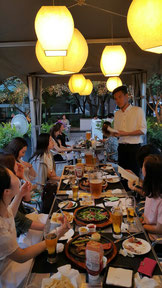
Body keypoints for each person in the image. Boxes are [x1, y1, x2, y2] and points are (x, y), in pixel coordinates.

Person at [0, 165, 69, 287]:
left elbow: (10, 213)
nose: (16, 174)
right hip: (8, 272)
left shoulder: (3, 206)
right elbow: (21, 256)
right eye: (12, 174)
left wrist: (20, 194)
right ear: (6, 191)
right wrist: (56, 235)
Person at [0, 153, 46, 245]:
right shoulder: (5, 200)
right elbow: (22, 222)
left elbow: (27, 199)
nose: (19, 165)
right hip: (19, 234)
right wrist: (50, 227)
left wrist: (22, 177)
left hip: (23, 224)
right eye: (15, 164)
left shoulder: (11, 188)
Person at [113, 85, 147, 176]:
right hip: (121, 148)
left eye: (120, 97)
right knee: (122, 175)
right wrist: (113, 133)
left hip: (134, 149)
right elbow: (117, 132)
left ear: (127, 96)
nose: (118, 101)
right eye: (115, 99)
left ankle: (135, 191)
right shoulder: (117, 114)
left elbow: (143, 130)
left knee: (134, 176)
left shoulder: (138, 111)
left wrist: (125, 133)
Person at [141, 155, 162, 241]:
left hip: (154, 237)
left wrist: (141, 225)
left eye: (143, 165)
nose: (141, 168)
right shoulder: (153, 187)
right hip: (146, 225)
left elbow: (159, 229)